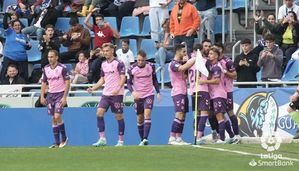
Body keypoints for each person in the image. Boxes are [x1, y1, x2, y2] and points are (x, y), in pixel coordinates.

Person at [87, 43, 126, 147]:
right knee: (99, 113)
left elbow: (123, 78)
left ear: (112, 51)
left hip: (117, 94)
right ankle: (102, 138)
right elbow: (102, 79)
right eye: (104, 51)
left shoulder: (119, 63)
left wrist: (118, 88)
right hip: (106, 93)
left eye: (107, 51)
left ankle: (120, 141)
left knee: (118, 116)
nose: (105, 53)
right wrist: (93, 88)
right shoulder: (103, 64)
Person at [127, 50, 161, 146]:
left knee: (147, 114)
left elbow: (154, 80)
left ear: (145, 59)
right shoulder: (132, 68)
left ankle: (145, 138)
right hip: (138, 96)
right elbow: (129, 83)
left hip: (149, 94)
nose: (140, 62)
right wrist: (133, 92)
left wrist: (158, 92)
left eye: (142, 60)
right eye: (138, 60)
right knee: (139, 118)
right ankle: (142, 140)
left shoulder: (151, 66)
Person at [40, 50, 70, 148]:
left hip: (60, 94)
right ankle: (57, 142)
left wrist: (65, 97)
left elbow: (67, 82)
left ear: (56, 57)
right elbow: (44, 82)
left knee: (57, 116)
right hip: (50, 95)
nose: (50, 59)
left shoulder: (62, 68)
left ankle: (64, 138)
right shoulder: (46, 68)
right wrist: (42, 96)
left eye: (52, 57)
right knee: (53, 118)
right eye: (49, 57)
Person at [168, 44, 195, 145]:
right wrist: (193, 60)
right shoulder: (173, 63)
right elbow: (182, 68)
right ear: (178, 51)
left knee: (183, 115)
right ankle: (171, 137)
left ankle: (179, 138)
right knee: (179, 114)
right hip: (177, 92)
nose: (185, 54)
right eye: (183, 52)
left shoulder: (180, 63)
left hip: (184, 91)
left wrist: (187, 63)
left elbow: (184, 76)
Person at [214, 43, 240, 143]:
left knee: (230, 112)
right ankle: (231, 135)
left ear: (222, 50)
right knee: (221, 115)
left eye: (218, 49)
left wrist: (225, 72)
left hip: (227, 90)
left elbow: (235, 75)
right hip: (217, 92)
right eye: (215, 48)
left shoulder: (227, 61)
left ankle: (237, 135)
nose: (217, 50)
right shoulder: (213, 61)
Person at [204, 47, 229, 143]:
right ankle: (223, 136)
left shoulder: (217, 67)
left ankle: (222, 139)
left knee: (219, 116)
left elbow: (217, 80)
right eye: (209, 53)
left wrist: (204, 81)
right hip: (214, 94)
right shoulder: (212, 67)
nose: (209, 55)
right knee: (216, 116)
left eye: (211, 54)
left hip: (219, 94)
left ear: (216, 56)